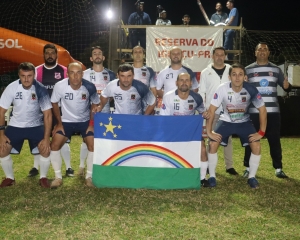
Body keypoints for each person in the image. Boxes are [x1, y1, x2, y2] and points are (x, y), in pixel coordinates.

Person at [206, 63, 267, 189]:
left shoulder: (251, 89)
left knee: (256, 145)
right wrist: (209, 131)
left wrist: (261, 132)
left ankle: (252, 177)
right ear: (229, 77)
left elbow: (262, 110)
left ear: (245, 77)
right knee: (212, 143)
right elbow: (211, 110)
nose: (237, 78)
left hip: (244, 122)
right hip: (225, 121)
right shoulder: (222, 88)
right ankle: (212, 176)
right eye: (234, 74)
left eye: (240, 74)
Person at [243, 42, 292, 179]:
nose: (262, 51)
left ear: (269, 53)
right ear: (255, 52)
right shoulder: (248, 69)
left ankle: (278, 168)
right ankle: (247, 167)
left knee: (274, 139)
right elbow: (242, 89)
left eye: (265, 49)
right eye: (260, 49)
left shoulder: (276, 70)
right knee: (251, 139)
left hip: (272, 111)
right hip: (254, 111)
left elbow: (286, 86)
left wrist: (287, 86)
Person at [0, 62, 52, 188]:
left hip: (35, 126)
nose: (26, 79)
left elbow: (48, 115)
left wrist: (46, 138)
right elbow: (1, 112)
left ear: (34, 75)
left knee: (45, 150)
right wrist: (1, 134)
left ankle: (43, 177)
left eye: (29, 76)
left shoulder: (40, 89)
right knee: (2, 149)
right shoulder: (11, 87)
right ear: (19, 75)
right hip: (15, 125)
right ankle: (10, 178)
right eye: (23, 76)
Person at [49, 62, 100, 188]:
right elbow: (54, 103)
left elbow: (95, 104)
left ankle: (89, 176)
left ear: (82, 74)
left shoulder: (90, 87)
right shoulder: (60, 86)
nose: (75, 76)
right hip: (66, 122)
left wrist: (91, 124)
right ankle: (58, 177)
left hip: (85, 122)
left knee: (92, 145)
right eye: (72, 72)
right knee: (54, 145)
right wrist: (59, 123)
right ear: (67, 74)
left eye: (78, 73)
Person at [28, 43, 73, 178]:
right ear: (43, 55)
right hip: (41, 112)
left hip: (59, 112)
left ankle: (69, 167)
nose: (49, 55)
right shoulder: (36, 71)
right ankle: (36, 167)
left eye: (52, 53)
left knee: (62, 139)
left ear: (56, 55)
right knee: (39, 138)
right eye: (47, 53)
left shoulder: (65, 71)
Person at [160, 73, 210, 187]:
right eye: (181, 80)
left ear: (191, 83)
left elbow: (203, 111)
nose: (184, 83)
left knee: (202, 149)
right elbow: (163, 119)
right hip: (172, 130)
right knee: (167, 150)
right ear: (176, 83)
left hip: (190, 130)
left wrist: (205, 114)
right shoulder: (168, 96)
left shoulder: (197, 97)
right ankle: (167, 173)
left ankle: (202, 178)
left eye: (187, 80)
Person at [78, 46, 116, 176]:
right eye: (95, 54)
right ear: (91, 58)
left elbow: (113, 92)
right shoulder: (85, 74)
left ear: (103, 57)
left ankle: (103, 164)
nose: (97, 55)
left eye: (100, 53)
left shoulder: (111, 74)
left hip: (105, 113)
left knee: (104, 139)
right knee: (86, 139)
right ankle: (81, 166)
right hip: (88, 112)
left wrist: (103, 102)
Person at [199, 46, 237, 175]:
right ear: (213, 56)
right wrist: (205, 110)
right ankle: (210, 165)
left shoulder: (231, 70)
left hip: (228, 111)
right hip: (212, 111)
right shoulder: (206, 71)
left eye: (222, 55)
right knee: (211, 138)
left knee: (228, 139)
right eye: (217, 55)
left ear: (225, 56)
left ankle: (229, 166)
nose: (219, 57)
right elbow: (201, 92)